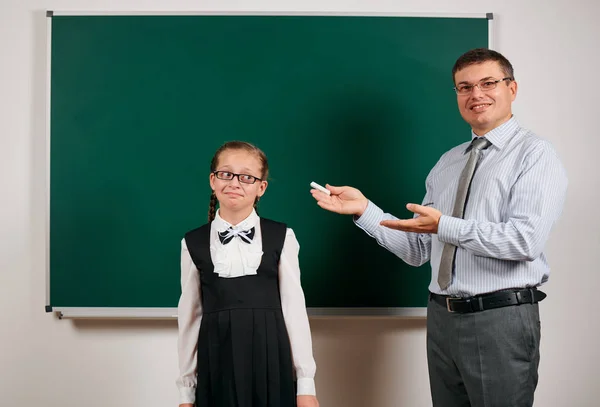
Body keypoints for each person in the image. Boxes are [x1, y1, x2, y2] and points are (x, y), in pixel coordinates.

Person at [310, 48, 567, 407]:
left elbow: (524, 241)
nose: (476, 95)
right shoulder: (447, 163)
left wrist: (445, 225)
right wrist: (365, 210)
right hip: (442, 319)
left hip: (500, 319)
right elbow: (419, 250)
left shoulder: (535, 154)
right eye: (464, 87)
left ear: (512, 88)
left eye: (488, 83)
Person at [177, 141, 319, 407]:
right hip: (216, 360)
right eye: (226, 174)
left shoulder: (282, 237)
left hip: (272, 359)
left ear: (261, 188)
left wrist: (305, 385)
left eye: (246, 177)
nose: (234, 183)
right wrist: (187, 391)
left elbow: (294, 310)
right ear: (213, 180)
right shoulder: (192, 243)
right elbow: (189, 318)